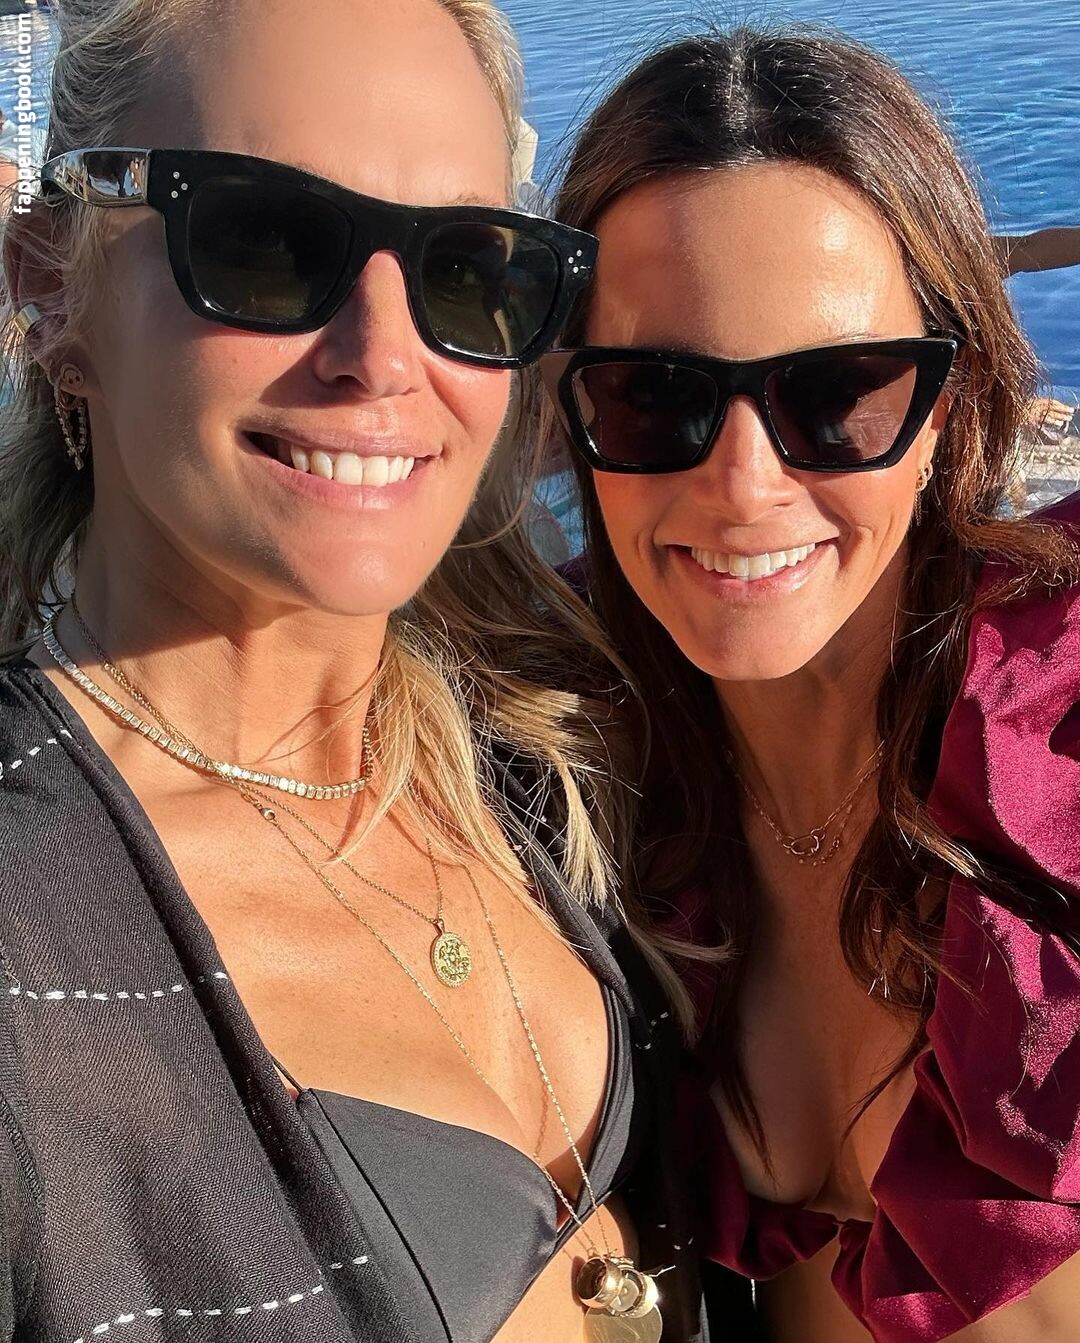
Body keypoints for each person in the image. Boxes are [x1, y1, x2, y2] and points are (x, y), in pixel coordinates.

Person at [0, 1, 722, 1340]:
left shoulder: (546, 758)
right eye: (264, 241)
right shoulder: (28, 940)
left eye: (465, 268)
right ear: (50, 281)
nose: (387, 356)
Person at [541, 26, 1080, 1343]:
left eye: (838, 392)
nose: (744, 485)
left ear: (946, 407)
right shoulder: (570, 778)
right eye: (655, 396)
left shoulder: (1057, 721)